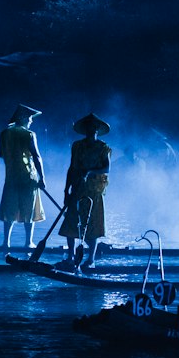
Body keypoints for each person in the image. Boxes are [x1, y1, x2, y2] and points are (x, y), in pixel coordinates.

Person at [60, 112, 112, 269]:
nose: (91, 130)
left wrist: (89, 171)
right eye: (88, 128)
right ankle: (70, 256)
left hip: (95, 190)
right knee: (71, 222)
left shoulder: (103, 148)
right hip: (77, 188)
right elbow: (71, 168)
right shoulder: (77, 146)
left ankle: (91, 259)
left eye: (94, 128)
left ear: (97, 129)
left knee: (93, 224)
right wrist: (66, 190)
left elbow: (107, 168)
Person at [0, 103, 47, 253]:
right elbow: (37, 157)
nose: (31, 121)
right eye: (30, 118)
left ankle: (6, 242)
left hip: (11, 177)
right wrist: (42, 178)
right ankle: (28, 242)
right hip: (28, 178)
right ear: (24, 118)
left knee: (9, 208)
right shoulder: (29, 135)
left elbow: (1, 154)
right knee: (29, 209)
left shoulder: (4, 134)